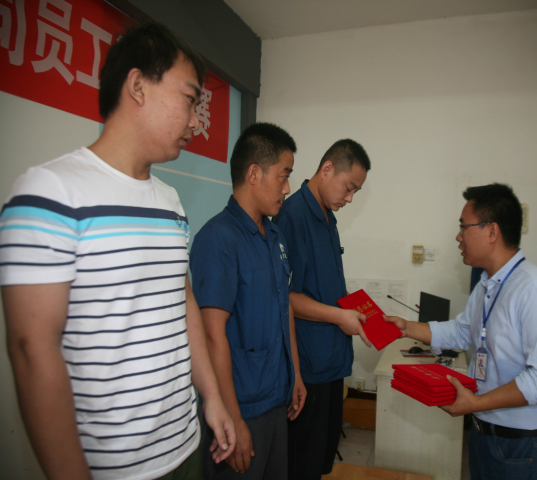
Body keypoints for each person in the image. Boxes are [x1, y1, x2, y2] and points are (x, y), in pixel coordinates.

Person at [0, 22, 235, 480]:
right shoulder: (49, 192)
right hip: (112, 467)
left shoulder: (169, 201)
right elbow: (32, 350)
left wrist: (211, 397)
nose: (196, 122)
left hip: (184, 444)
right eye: (190, 100)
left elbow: (182, 300)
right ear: (138, 86)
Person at [385, 183, 537, 480]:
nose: (458, 237)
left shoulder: (535, 290)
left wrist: (478, 403)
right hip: (485, 437)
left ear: (492, 231)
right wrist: (408, 328)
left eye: (463, 227)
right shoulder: (487, 285)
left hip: (524, 448)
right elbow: (462, 332)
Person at [190, 122, 307, 479]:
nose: (287, 188)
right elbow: (211, 336)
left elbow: (285, 308)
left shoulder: (275, 236)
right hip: (239, 407)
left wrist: (295, 376)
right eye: (283, 176)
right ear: (254, 174)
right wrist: (233, 418)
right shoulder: (218, 239)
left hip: (276, 398)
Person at [272, 139, 372, 479]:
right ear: (327, 169)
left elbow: (323, 286)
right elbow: (287, 297)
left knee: (320, 463)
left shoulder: (328, 217)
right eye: (349, 187)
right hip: (309, 367)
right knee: (303, 464)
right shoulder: (293, 216)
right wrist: (340, 316)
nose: (350, 198)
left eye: (356, 191)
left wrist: (360, 310)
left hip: (332, 362)